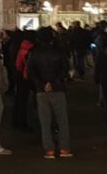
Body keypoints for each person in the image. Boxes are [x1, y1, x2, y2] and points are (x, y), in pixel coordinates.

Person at [27, 27, 73, 159]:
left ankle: (49, 150)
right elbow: (65, 69)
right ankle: (64, 148)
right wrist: (54, 82)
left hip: (41, 91)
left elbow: (31, 72)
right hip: (58, 89)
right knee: (62, 120)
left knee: (45, 122)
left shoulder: (34, 53)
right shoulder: (59, 52)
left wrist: (42, 84)